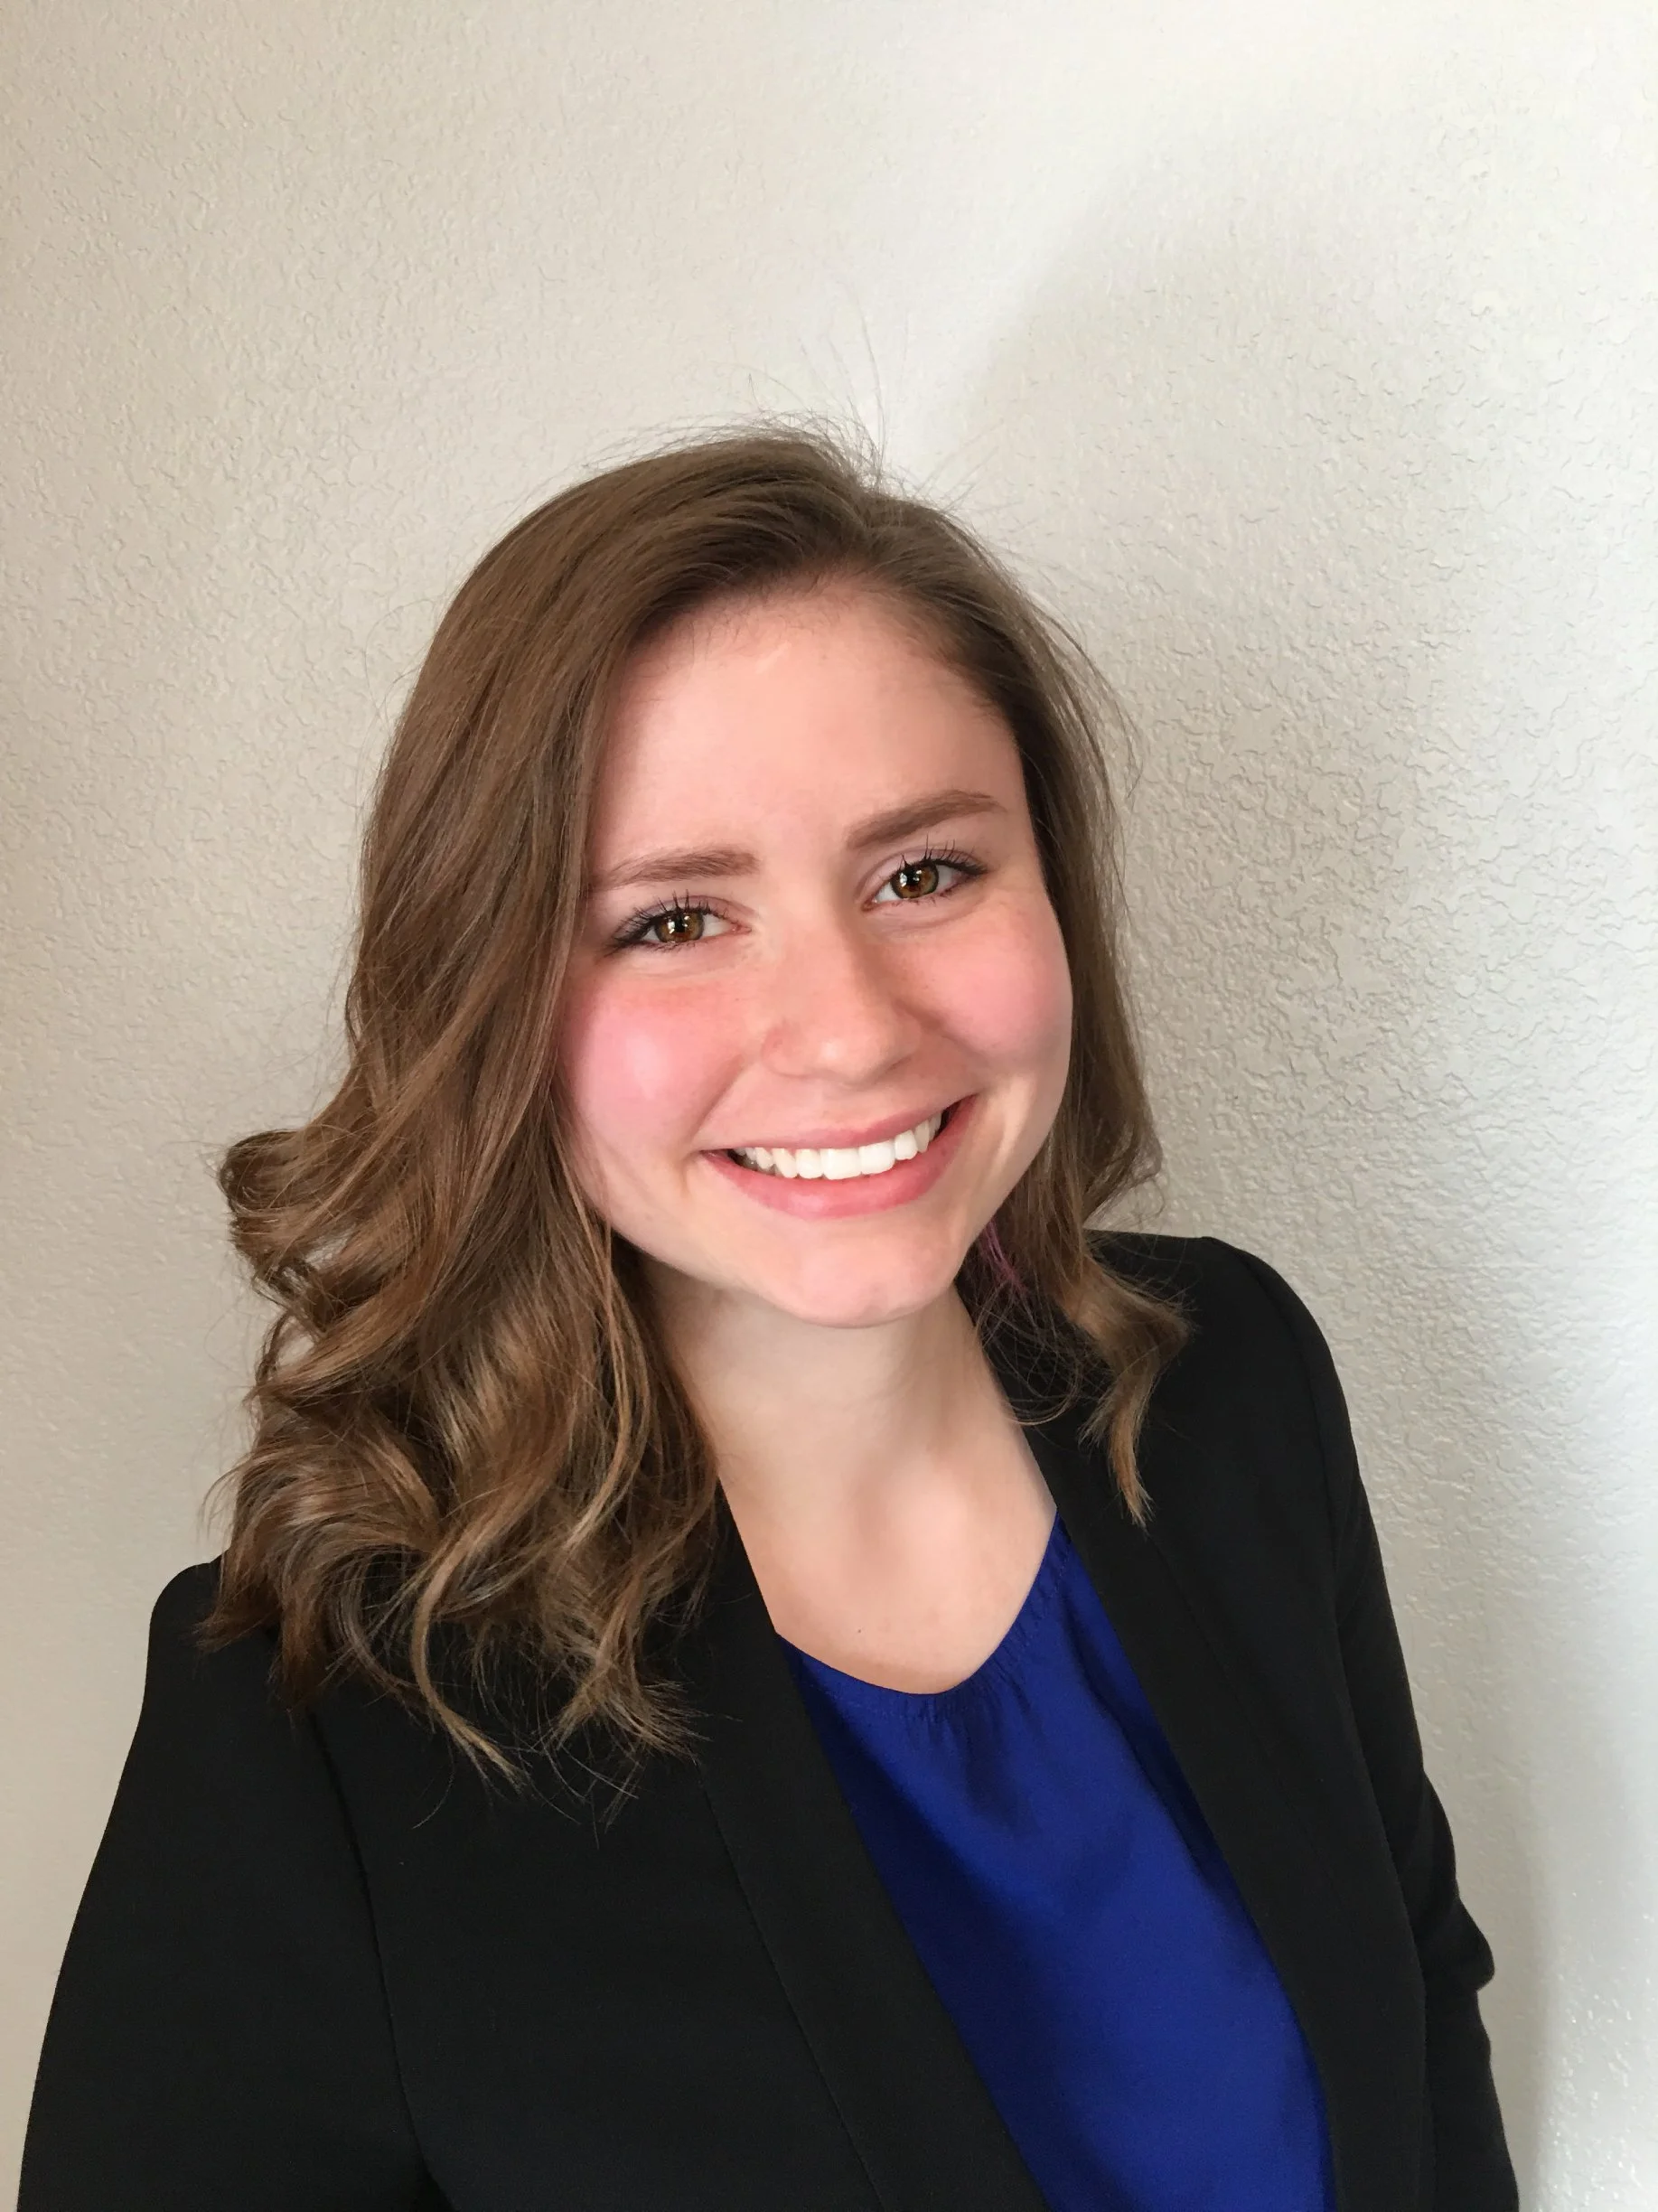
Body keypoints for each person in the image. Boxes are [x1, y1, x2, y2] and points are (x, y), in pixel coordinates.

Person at [20, 426, 1518, 2212]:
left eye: (922, 874)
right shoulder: (318, 1730)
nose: (850, 1028)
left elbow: (1416, 2009)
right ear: (492, 1004)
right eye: (672, 919)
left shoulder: (1228, 1382)